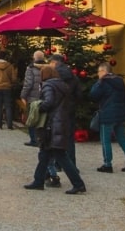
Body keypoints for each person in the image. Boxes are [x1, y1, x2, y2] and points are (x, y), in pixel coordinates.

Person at [23, 65, 87, 194]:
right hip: (60, 123)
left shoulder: (48, 86)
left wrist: (38, 107)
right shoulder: (63, 85)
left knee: (60, 155)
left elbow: (48, 102)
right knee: (45, 154)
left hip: (51, 125)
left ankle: (78, 184)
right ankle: (38, 181)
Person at [89, 61, 125, 173]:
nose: (98, 74)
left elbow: (93, 95)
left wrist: (98, 82)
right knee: (122, 139)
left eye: (99, 71)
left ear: (103, 71)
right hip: (121, 114)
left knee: (105, 140)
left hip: (107, 115)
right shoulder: (120, 81)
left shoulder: (103, 82)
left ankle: (107, 164)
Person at [21, 50, 59, 185]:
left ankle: (33, 139)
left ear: (34, 58)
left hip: (34, 98)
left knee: (33, 120)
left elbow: (28, 83)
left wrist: (23, 95)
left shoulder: (31, 68)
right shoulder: (50, 68)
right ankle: (49, 175)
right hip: (44, 100)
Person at [47, 53, 81, 168]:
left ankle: (57, 163)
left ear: (54, 63)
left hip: (56, 111)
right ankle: (72, 163)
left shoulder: (53, 77)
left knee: (55, 138)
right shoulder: (73, 76)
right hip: (69, 110)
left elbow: (50, 95)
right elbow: (78, 94)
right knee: (70, 138)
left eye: (49, 63)